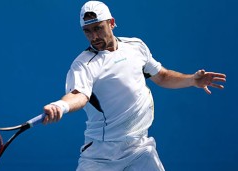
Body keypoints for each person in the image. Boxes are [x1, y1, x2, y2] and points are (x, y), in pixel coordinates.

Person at [42, 1, 226, 170]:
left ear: (111, 23)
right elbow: (79, 95)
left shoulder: (135, 46)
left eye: (98, 28)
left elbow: (161, 76)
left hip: (140, 148)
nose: (94, 36)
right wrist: (62, 105)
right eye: (88, 31)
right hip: (101, 156)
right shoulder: (83, 64)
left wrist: (192, 80)